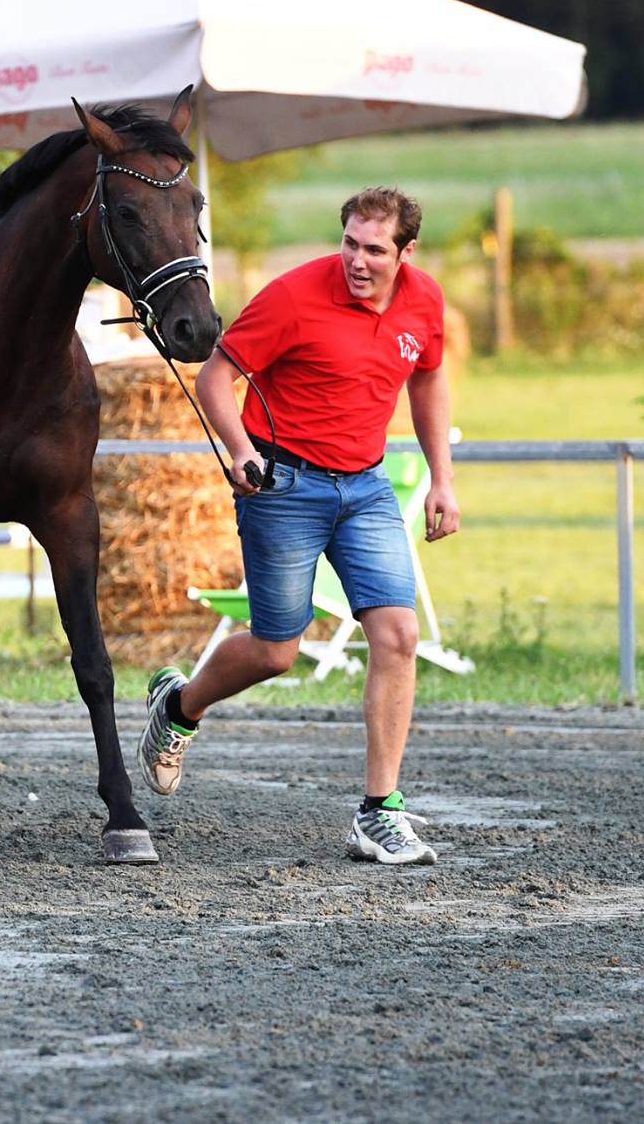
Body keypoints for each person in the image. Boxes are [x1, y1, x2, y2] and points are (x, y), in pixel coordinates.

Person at [135, 187, 460, 865]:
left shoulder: (423, 302)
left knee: (398, 635)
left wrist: (442, 479)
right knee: (277, 650)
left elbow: (427, 379)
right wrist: (241, 451)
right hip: (283, 485)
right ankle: (180, 706)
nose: (358, 260)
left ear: (406, 251)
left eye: (375, 248)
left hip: (366, 488)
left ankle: (380, 812)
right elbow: (217, 378)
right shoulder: (293, 297)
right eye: (349, 242)